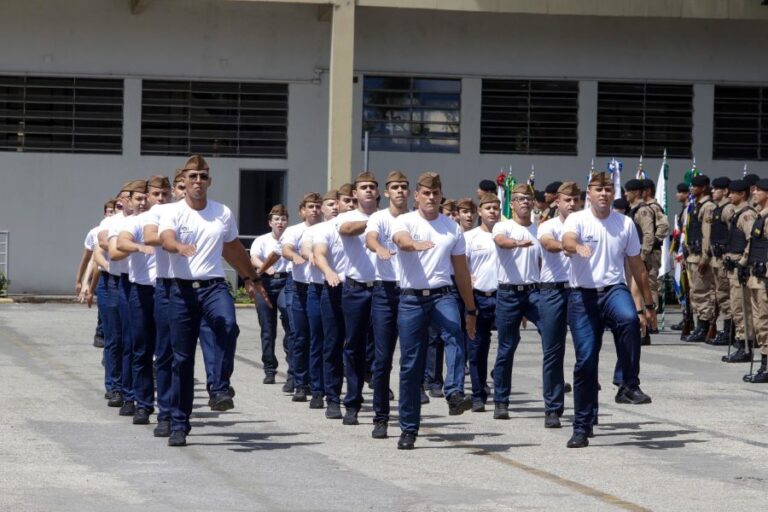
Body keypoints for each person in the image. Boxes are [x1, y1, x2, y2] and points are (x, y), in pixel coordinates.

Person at [159, 155, 268, 447]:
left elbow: (232, 249)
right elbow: (167, 239)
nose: (197, 182)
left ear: (210, 181)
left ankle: (219, 388)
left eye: (202, 176)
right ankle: (179, 423)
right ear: (183, 180)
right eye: (192, 176)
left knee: (228, 326)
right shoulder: (172, 212)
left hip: (214, 286)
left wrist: (252, 278)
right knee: (181, 359)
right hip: (180, 291)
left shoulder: (222, 212)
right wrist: (179, 247)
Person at [562, 171, 655, 448]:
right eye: (598, 189)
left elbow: (637, 266)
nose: (603, 193)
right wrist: (576, 247)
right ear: (588, 194)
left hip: (613, 289)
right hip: (583, 296)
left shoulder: (624, 223)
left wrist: (648, 305)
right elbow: (567, 240)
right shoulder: (577, 219)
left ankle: (627, 383)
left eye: (608, 189)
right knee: (585, 363)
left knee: (629, 319)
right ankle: (582, 425)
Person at [392, 172, 477, 450]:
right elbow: (402, 241)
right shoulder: (405, 221)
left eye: (436, 193)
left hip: (443, 295)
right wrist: (414, 245)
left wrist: (471, 309)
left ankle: (453, 393)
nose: (431, 197)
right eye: (426, 193)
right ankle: (409, 428)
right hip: (411, 299)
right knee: (411, 365)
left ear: (441, 196)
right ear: (416, 196)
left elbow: (462, 272)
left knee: (454, 333)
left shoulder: (452, 228)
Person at [116, 175, 171, 425]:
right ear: (148, 197)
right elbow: (121, 243)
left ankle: (168, 408)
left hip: (167, 290)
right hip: (141, 291)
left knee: (167, 351)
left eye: (164, 194)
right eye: (156, 194)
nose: (160, 199)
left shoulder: (175, 219)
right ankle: (143, 404)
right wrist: (139, 247)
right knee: (141, 349)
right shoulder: (138, 221)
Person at [365, 170, 410, 438]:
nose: (400, 191)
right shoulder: (378, 218)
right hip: (384, 292)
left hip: (409, 292)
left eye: (404, 187)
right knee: (382, 360)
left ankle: (407, 418)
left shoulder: (414, 219)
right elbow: (370, 238)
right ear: (387, 192)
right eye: (395, 187)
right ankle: (380, 417)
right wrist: (378, 248)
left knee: (409, 359)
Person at [491, 183, 541, 420]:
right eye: (519, 199)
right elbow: (501, 241)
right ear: (511, 204)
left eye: (528, 198)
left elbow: (540, 263)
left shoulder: (539, 230)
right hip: (509, 294)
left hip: (533, 293)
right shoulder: (504, 226)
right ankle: (501, 400)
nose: (524, 202)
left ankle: (555, 390)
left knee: (553, 337)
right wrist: (517, 244)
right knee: (507, 348)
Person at [337, 171, 380, 426]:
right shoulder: (347, 217)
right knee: (353, 346)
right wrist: (376, 222)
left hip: (383, 289)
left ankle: (379, 402)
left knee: (380, 347)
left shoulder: (390, 218)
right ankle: (352, 402)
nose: (368, 191)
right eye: (363, 187)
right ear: (354, 193)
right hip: (355, 288)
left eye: (372, 187)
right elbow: (348, 230)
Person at [537, 182, 580, 428]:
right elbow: (547, 244)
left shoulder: (587, 224)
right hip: (553, 291)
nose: (572, 204)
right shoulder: (548, 225)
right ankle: (552, 408)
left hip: (579, 291)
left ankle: (587, 409)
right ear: (557, 202)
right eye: (567, 200)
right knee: (553, 351)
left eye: (575, 200)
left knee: (585, 351)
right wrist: (569, 246)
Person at [279, 193, 324, 403]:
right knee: (300, 336)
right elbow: (286, 249)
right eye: (310, 207)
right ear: (302, 211)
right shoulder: (294, 230)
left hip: (320, 288)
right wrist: (295, 256)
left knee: (319, 338)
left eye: (317, 206)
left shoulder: (326, 228)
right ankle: (300, 383)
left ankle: (317, 383)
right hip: (298, 287)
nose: (314, 210)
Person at [311, 189, 348, 418]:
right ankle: (331, 397)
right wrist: (328, 271)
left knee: (358, 348)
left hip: (363, 291)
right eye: (345, 201)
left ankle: (354, 396)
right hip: (333, 288)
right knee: (331, 344)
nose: (341, 206)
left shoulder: (370, 225)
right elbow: (317, 253)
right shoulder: (322, 229)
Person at [249, 204, 293, 385]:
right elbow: (253, 257)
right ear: (270, 222)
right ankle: (269, 368)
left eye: (283, 219)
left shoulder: (291, 238)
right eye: (276, 219)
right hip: (265, 283)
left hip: (285, 281)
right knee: (267, 329)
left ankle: (293, 369)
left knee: (290, 322)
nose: (280, 223)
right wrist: (263, 267)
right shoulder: (262, 240)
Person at [464, 193, 500, 413]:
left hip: (503, 296)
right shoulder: (471, 237)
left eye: (496, 207)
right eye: (488, 208)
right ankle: (478, 394)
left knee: (508, 343)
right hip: (478, 296)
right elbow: (461, 266)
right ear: (480, 211)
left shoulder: (507, 233)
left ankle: (498, 376)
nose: (492, 211)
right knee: (477, 348)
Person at [721, 180, 757, 363]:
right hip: (732, 266)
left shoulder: (746, 216)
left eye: (732, 193)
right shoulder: (737, 214)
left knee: (742, 308)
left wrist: (743, 262)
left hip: (740, 268)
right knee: (736, 307)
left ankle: (745, 346)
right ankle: (741, 342)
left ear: (742, 194)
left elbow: (752, 241)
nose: (729, 196)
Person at [77, 199, 116, 348]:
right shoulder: (97, 232)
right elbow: (91, 260)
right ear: (105, 213)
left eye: (115, 210)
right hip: (105, 276)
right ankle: (101, 334)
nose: (112, 213)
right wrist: (82, 282)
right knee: (106, 314)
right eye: (110, 211)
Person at [682, 175, 716, 342]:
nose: (691, 188)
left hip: (700, 257)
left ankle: (704, 327)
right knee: (695, 292)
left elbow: (707, 235)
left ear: (703, 188)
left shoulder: (707, 206)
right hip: (692, 255)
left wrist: (705, 257)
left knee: (702, 292)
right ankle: (699, 325)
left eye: (695, 186)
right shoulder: (695, 206)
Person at [742, 179, 768, 383]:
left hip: (764, 278)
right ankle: (764, 365)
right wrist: (743, 264)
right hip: (755, 277)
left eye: (759, 190)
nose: (755, 192)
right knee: (760, 322)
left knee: (765, 322)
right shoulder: (760, 216)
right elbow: (752, 244)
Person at [624, 179, 656, 344]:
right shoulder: (633, 210)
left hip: (639, 258)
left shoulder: (643, 211)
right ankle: (641, 331)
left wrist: (641, 256)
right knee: (633, 294)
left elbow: (648, 235)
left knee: (638, 296)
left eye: (627, 191)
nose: (625, 194)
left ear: (635, 192)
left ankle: (644, 333)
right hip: (632, 258)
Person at [706, 177, 734, 346]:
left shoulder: (727, 209)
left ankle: (730, 330)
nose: (713, 191)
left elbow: (734, 233)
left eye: (716, 189)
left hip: (724, 257)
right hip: (716, 257)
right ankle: (728, 329)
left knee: (726, 295)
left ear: (725, 191)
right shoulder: (717, 208)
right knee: (720, 295)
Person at [642, 178, 671, 334]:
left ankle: (652, 322)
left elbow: (664, 225)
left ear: (647, 191)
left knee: (651, 284)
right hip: (646, 251)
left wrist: (654, 241)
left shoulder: (654, 207)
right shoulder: (645, 207)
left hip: (651, 253)